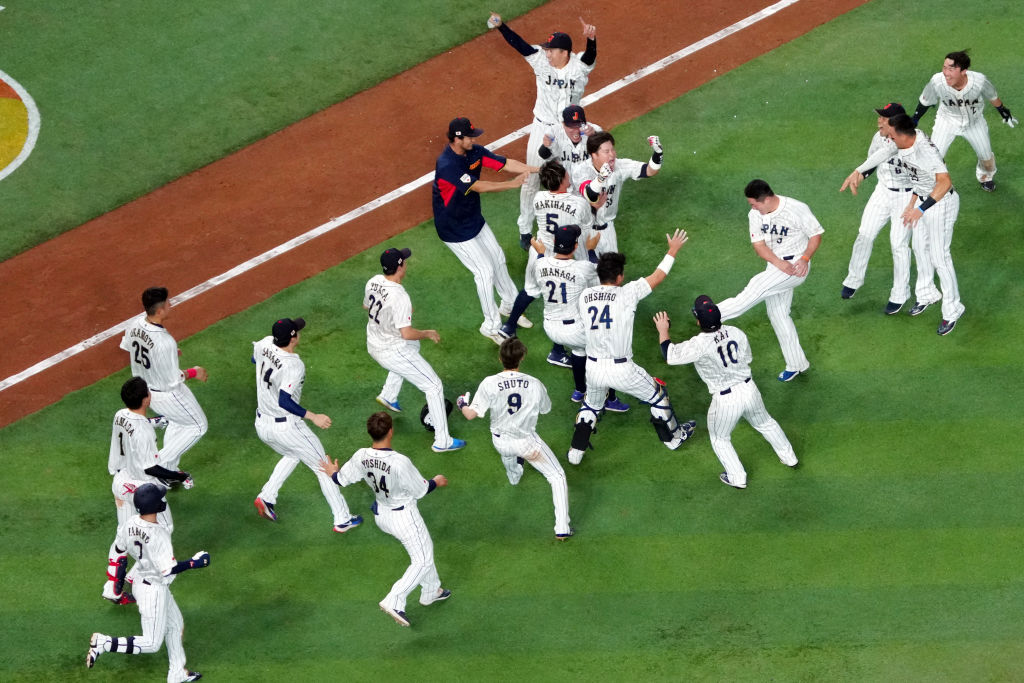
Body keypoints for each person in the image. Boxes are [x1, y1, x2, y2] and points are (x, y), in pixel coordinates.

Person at [567, 230, 697, 465]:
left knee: (592, 405)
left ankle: (575, 453)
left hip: (593, 367)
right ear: (619, 277)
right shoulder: (628, 293)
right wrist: (673, 250)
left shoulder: (585, 296)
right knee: (658, 396)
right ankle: (674, 438)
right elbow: (658, 276)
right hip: (622, 369)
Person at [320, 412, 450, 628]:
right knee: (423, 560)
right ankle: (395, 600)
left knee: (423, 549)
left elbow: (341, 480)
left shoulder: (361, 455)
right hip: (404, 518)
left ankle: (431, 590)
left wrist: (333, 472)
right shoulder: (399, 462)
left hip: (382, 514)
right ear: (391, 431)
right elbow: (421, 490)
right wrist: (436, 481)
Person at [653, 296, 798, 489]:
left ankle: (737, 478)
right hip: (749, 388)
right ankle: (790, 458)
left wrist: (663, 330)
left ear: (698, 321)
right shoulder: (736, 332)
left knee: (720, 438)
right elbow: (747, 358)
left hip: (726, 400)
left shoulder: (698, 344)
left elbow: (669, 354)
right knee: (765, 423)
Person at [843, 114, 963, 335]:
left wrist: (920, 208)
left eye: (890, 134)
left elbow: (945, 183)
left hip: (941, 203)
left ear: (899, 134)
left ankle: (953, 309)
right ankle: (927, 294)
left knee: (940, 257)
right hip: (920, 200)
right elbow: (885, 155)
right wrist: (858, 172)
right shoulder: (904, 141)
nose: (887, 138)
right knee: (919, 248)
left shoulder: (923, 150)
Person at [488, 13, 597, 248]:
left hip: (569, 131)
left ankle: (576, 223)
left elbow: (590, 57)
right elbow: (521, 46)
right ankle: (525, 231)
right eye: (547, 49)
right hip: (542, 127)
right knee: (531, 178)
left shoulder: (578, 67)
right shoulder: (539, 60)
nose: (547, 53)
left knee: (572, 176)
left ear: (565, 52)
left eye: (552, 50)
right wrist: (501, 26)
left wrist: (591, 40)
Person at [87, 483, 208, 683]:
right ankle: (104, 643)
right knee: (152, 643)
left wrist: (114, 585)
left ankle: (177, 673)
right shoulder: (159, 535)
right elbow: (168, 570)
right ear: (155, 506)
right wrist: (195, 562)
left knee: (175, 624)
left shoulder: (130, 523)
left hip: (141, 581)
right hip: (154, 590)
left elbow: (118, 552)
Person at [431, 117, 537, 344]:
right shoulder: (447, 164)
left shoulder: (474, 151)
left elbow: (504, 163)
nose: (474, 139)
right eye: (469, 136)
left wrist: (535, 169)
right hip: (454, 229)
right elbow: (478, 186)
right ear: (457, 139)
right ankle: (490, 327)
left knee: (497, 257)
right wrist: (512, 184)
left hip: (473, 219)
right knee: (484, 271)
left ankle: (509, 305)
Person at [251, 317, 363, 531]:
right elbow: (284, 400)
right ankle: (342, 519)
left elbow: (255, 360)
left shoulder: (265, 343)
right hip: (287, 428)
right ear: (293, 338)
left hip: (262, 425)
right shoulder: (294, 365)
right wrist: (313, 416)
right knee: (323, 467)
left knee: (294, 454)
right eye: (297, 331)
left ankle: (267, 497)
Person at [455, 338, 572, 539]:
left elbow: (470, 415)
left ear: (500, 358)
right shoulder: (535, 384)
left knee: (510, 457)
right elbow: (546, 409)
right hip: (527, 443)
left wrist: (461, 403)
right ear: (523, 357)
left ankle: (514, 477)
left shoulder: (489, 383)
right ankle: (562, 528)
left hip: (500, 442)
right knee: (557, 476)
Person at [717, 180, 824, 382]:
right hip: (776, 265)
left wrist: (805, 258)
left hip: (796, 266)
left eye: (754, 204)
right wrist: (777, 262)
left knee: (752, 291)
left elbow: (815, 235)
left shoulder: (796, 208)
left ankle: (712, 315)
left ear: (766, 199)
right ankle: (797, 363)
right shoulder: (755, 214)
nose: (752, 208)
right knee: (778, 315)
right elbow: (759, 245)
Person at [363, 248, 466, 452]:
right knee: (434, 386)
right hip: (391, 350)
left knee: (413, 346)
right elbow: (407, 333)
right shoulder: (399, 296)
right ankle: (442, 441)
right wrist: (427, 332)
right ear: (400, 267)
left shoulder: (373, 281)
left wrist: (395, 316)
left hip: (373, 342)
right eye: (405, 262)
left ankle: (389, 394)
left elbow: (367, 307)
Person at [102, 377, 191, 605]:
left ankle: (113, 588)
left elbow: (135, 426)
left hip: (121, 482)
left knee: (123, 533)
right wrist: (179, 475)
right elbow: (151, 467)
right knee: (164, 528)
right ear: (145, 399)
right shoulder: (143, 432)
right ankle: (139, 574)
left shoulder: (120, 414)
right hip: (142, 489)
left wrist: (153, 421)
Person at [499, 158, 594, 368]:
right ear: (561, 180)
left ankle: (509, 326)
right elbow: (587, 225)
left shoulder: (539, 197)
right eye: (565, 174)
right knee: (566, 299)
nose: (568, 175)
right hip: (564, 254)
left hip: (540, 251)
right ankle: (557, 351)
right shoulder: (578, 203)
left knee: (531, 289)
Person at [839, 103, 925, 314]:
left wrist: (857, 171)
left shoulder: (913, 138)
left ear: (896, 122)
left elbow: (889, 152)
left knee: (898, 244)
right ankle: (854, 279)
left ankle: (900, 293)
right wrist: (861, 175)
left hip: (907, 196)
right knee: (865, 235)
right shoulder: (879, 137)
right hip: (883, 191)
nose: (879, 120)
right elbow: (873, 160)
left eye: (884, 118)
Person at [119, 287, 208, 471]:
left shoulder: (134, 324)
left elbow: (131, 347)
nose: (170, 304)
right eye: (168, 303)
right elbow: (173, 379)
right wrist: (195, 371)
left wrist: (167, 356)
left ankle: (170, 470)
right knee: (198, 426)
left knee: (177, 422)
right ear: (159, 311)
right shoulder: (164, 342)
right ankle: (156, 465)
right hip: (168, 395)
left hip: (146, 391)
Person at [911, 50, 1017, 191]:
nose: (946, 73)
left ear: (964, 71)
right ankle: (937, 183)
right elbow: (925, 100)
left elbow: (992, 96)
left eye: (951, 69)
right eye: (944, 67)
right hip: (946, 121)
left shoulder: (979, 81)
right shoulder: (937, 81)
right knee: (934, 157)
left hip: (974, 123)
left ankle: (985, 177)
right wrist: (915, 118)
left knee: (986, 158)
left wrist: (1002, 110)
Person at [571, 131, 664, 255]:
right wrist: (600, 179)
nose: (612, 155)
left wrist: (658, 153)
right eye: (606, 151)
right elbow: (590, 195)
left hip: (607, 229)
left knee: (613, 272)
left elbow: (650, 171)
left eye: (613, 150)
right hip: (584, 230)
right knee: (587, 272)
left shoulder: (619, 165)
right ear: (594, 155)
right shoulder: (581, 171)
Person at [538, 104, 603, 172]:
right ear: (563, 124)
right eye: (571, 126)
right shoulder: (555, 133)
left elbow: (605, 150)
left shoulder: (593, 130)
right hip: (566, 179)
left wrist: (595, 136)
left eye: (579, 125)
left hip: (590, 178)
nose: (576, 130)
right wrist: (546, 146)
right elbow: (544, 155)